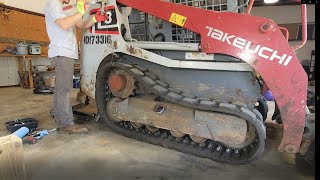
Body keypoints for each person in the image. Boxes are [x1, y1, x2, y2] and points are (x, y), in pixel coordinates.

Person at [45, 0, 108, 133]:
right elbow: (64, 24)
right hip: (62, 53)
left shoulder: (63, 8)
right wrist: (81, 10)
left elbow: (80, 24)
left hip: (66, 53)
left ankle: (60, 117)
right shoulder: (53, 3)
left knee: (60, 89)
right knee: (64, 90)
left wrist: (96, 18)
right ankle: (67, 124)